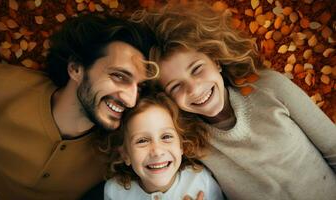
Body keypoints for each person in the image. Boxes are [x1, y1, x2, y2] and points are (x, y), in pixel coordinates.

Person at [133, 2, 336, 200]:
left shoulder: (270, 87)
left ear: (217, 61)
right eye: (176, 86)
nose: (194, 89)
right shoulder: (187, 141)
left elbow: (333, 148)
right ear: (168, 99)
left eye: (197, 69)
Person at [0, 14, 157, 199]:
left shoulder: (119, 150)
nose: (131, 100)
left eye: (139, 87)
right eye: (119, 76)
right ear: (76, 69)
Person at [103, 92, 224, 200]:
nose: (157, 151)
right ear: (125, 154)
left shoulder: (200, 181)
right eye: (142, 141)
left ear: (181, 145)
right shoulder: (115, 192)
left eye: (166, 137)